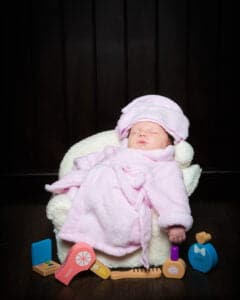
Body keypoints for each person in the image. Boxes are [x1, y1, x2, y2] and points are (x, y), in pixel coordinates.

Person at [45, 95, 193, 268]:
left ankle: (107, 236)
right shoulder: (116, 152)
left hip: (125, 198)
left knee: (112, 196)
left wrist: (176, 223)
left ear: (168, 143)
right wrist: (81, 170)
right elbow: (92, 160)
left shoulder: (163, 165)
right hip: (95, 189)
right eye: (136, 131)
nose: (142, 133)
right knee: (90, 182)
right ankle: (85, 228)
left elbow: (172, 192)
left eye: (152, 132)